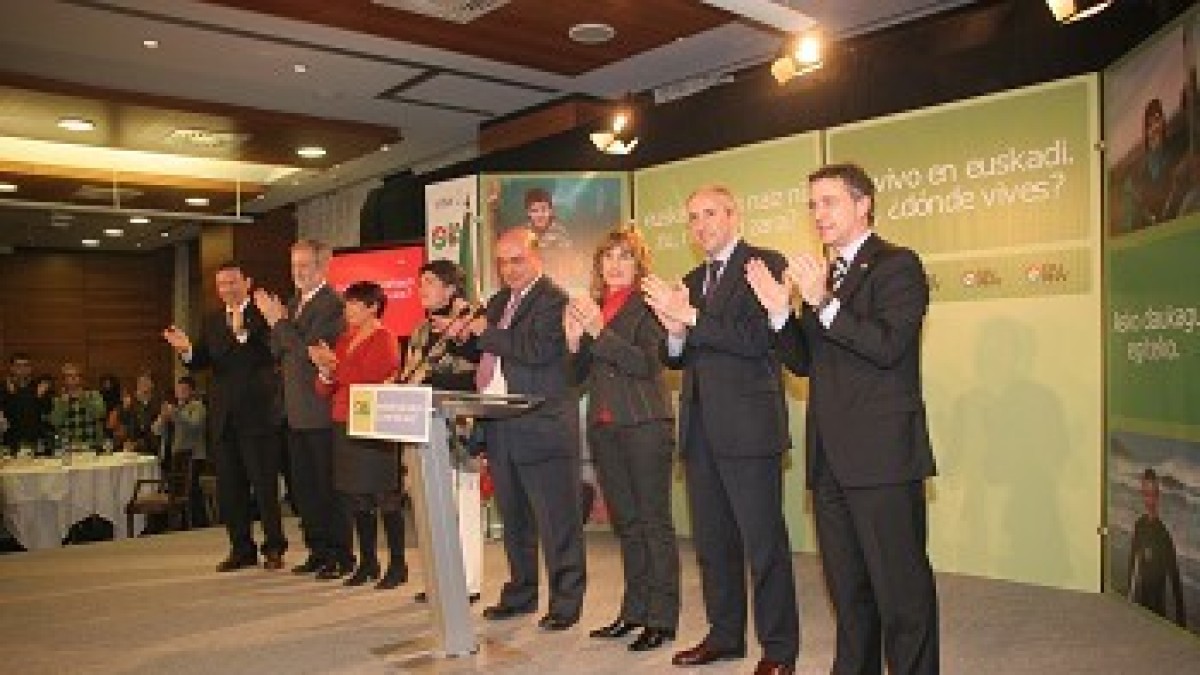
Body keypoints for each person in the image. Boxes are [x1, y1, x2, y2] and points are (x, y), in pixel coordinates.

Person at [745, 163, 939, 675]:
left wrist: (824, 304)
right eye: (812, 205)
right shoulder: (827, 276)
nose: (818, 214)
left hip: (882, 458)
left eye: (829, 202)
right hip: (830, 459)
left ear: (863, 204)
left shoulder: (897, 265)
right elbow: (806, 362)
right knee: (850, 595)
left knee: (902, 596)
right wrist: (780, 315)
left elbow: (888, 346)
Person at [642, 185, 799, 675]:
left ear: (734, 215)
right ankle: (725, 636)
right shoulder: (691, 279)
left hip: (749, 429)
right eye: (692, 217)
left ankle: (779, 650)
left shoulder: (764, 264)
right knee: (712, 546)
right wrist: (673, 332)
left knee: (764, 545)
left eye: (710, 213)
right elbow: (677, 358)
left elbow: (758, 340)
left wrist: (690, 316)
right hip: (700, 431)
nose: (700, 225)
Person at [464, 226, 586, 631]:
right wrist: (462, 333)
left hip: (543, 427)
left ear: (537, 258)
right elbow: (486, 354)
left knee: (557, 522)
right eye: (502, 262)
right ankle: (520, 593)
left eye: (517, 260)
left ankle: (566, 603)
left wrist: (487, 333)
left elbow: (537, 351)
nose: (508, 269)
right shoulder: (499, 301)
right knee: (514, 520)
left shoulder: (554, 300)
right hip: (502, 426)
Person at [565, 225, 680, 652]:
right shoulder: (595, 307)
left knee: (653, 523)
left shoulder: (649, 305)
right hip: (605, 428)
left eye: (625, 257)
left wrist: (598, 331)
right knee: (627, 525)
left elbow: (646, 364)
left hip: (645, 424)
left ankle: (661, 618)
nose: (615, 265)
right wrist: (572, 343)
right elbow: (575, 378)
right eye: (608, 257)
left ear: (638, 265)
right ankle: (633, 613)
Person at [162, 260, 288, 573]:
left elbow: (273, 351)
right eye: (221, 285)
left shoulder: (265, 314)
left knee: (264, 487)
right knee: (231, 490)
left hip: (258, 415)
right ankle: (241, 549)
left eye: (232, 282)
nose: (227, 289)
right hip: (223, 418)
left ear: (247, 282)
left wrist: (242, 332)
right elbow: (202, 360)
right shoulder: (213, 320)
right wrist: (187, 350)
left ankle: (274, 547)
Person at [254, 239, 354, 581]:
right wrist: (278, 324)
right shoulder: (294, 303)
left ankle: (340, 555)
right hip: (294, 409)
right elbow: (277, 349)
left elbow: (309, 352)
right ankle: (317, 550)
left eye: (305, 265)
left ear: (322, 267)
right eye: (294, 265)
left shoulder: (332, 304)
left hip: (320, 409)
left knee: (327, 488)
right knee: (304, 488)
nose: (297, 272)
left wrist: (279, 323)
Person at [310, 281, 408, 590]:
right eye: (347, 303)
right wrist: (325, 371)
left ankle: (398, 563)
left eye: (355, 304)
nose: (348, 310)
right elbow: (324, 389)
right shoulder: (345, 338)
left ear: (373, 307)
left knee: (385, 496)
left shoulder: (385, 337)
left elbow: (370, 376)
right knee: (357, 497)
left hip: (374, 423)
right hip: (344, 420)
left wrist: (334, 367)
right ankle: (368, 562)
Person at [402, 259, 483, 604]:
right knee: (432, 508)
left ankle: (468, 583)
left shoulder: (471, 323)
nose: (422, 288)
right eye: (420, 282)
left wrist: (430, 380)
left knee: (464, 508)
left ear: (451, 289)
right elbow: (410, 373)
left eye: (430, 282)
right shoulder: (421, 330)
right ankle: (440, 580)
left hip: (460, 429)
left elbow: (473, 376)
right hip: (426, 427)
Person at [1127, 468, 1186, 627]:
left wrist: (1181, 623)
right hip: (1141, 603)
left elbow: (1175, 579)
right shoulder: (1139, 526)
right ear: (1142, 494)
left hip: (1158, 611)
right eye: (1146, 494)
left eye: (1153, 494)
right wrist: (1128, 599)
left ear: (1158, 496)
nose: (1149, 500)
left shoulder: (1163, 535)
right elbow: (1132, 565)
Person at [151, 375, 209, 528]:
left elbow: (194, 425)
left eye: (184, 389)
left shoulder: (197, 407)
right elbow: (155, 430)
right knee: (176, 492)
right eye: (178, 389)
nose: (180, 392)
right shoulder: (173, 408)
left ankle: (199, 523)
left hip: (192, 457)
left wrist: (176, 414)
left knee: (191, 491)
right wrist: (163, 418)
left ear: (192, 391)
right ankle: (180, 524)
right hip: (172, 455)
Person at [47, 362, 107, 449]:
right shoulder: (57, 399)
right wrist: (63, 405)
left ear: (81, 379)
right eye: (69, 376)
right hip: (66, 448)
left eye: (76, 375)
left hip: (92, 446)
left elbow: (100, 414)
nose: (73, 378)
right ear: (64, 380)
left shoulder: (94, 395)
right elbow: (55, 423)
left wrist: (83, 399)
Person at [1, 352, 52, 450]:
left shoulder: (39, 386)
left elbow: (47, 410)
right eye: (18, 366)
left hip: (35, 440)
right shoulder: (3, 388)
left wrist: (39, 397)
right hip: (10, 441)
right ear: (12, 368)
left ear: (30, 368)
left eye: (26, 365)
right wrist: (13, 395)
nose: (22, 369)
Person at [116, 371, 162, 454]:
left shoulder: (158, 405)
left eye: (145, 382)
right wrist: (125, 409)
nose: (142, 385)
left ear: (152, 385)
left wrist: (137, 444)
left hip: (150, 450)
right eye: (140, 382)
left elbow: (154, 432)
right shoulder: (132, 404)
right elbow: (124, 424)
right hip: (131, 449)